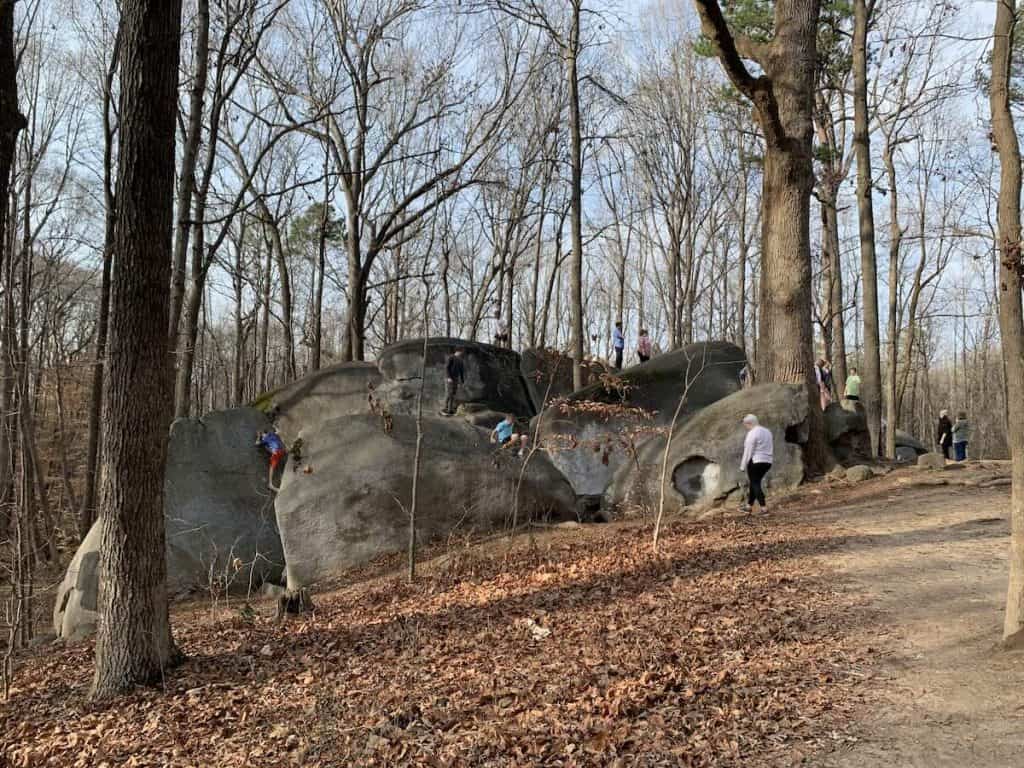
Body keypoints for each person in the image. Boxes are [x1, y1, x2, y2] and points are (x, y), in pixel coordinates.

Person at [739, 414, 774, 514]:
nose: (745, 427)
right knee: (755, 483)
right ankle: (749, 506)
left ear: (749, 423)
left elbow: (748, 451)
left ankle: (764, 508)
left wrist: (743, 465)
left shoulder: (752, 433)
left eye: (745, 424)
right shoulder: (767, 431)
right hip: (767, 462)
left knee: (755, 483)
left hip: (756, 461)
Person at [443, 348, 465, 416]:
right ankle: (445, 408)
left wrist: (462, 380)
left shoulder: (461, 361)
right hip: (449, 378)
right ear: (457, 351)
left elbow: (461, 371)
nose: (461, 354)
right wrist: (449, 377)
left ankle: (450, 409)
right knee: (449, 394)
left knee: (453, 394)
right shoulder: (451, 357)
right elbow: (447, 367)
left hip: (456, 379)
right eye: (461, 352)